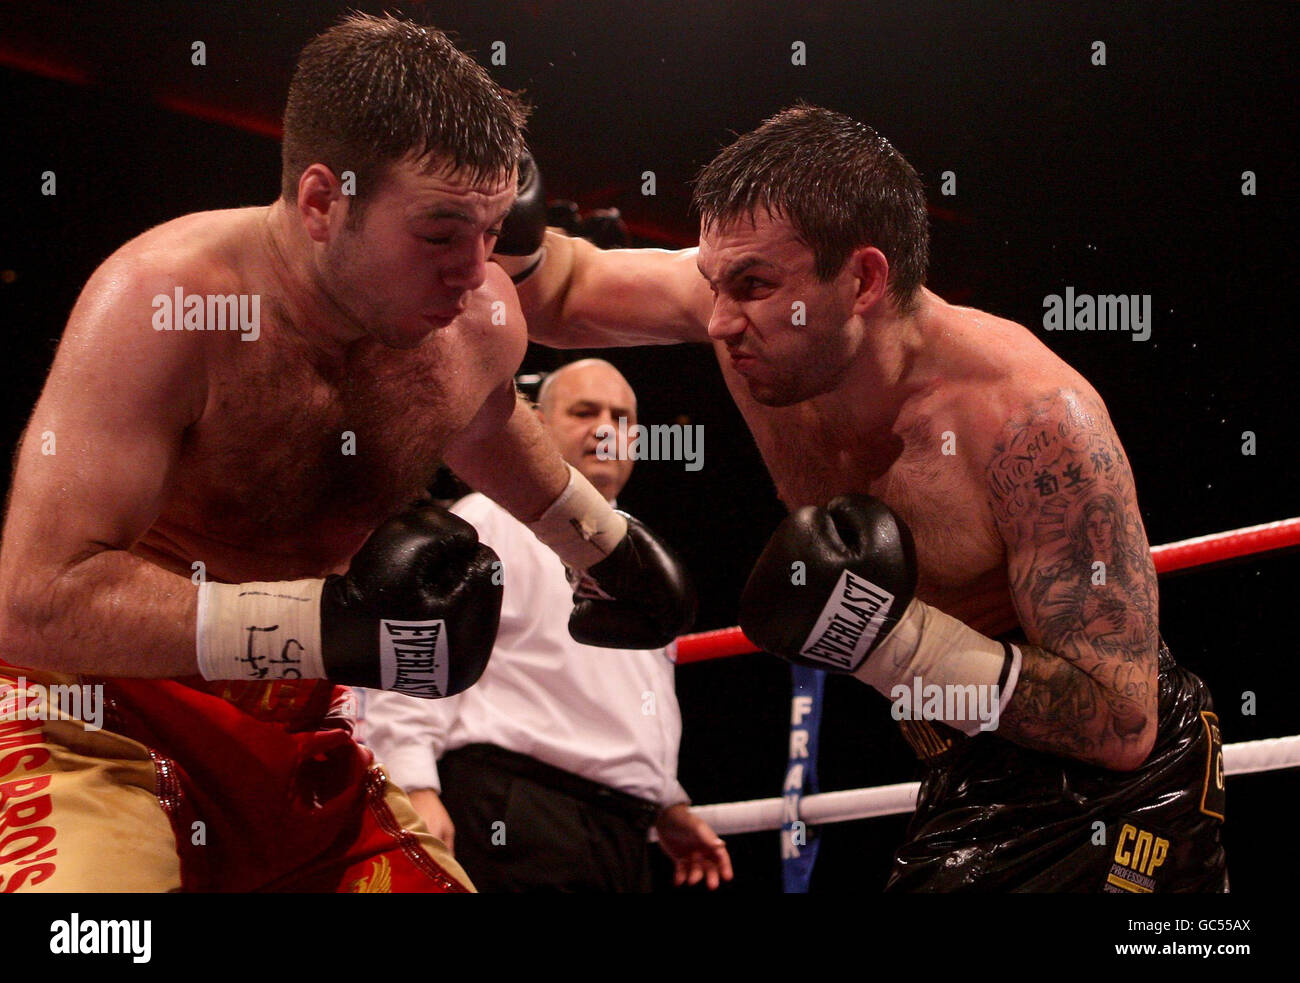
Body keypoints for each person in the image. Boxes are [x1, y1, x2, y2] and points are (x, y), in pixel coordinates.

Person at [0, 13, 692, 894]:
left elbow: (484, 423)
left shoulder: (472, 320)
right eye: (439, 233)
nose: (474, 271)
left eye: (490, 233)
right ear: (324, 202)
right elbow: (33, 601)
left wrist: (605, 547)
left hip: (298, 734)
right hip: (94, 714)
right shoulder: (167, 301)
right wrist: (329, 623)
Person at [499, 105, 1227, 892]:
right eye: (714, 283)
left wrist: (883, 641)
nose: (716, 321)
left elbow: (1121, 723)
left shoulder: (1031, 421)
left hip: (1119, 793)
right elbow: (558, 294)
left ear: (864, 279)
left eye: (751, 286)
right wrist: (501, 219)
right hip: (959, 763)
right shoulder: (743, 311)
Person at [361, 359, 732, 892]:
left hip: (619, 828)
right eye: (585, 412)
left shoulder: (635, 549)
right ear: (535, 424)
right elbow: (419, 648)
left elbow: (635, 692)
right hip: (517, 805)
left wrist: (665, 800)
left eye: (623, 417)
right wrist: (416, 782)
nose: (607, 428)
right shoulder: (488, 520)